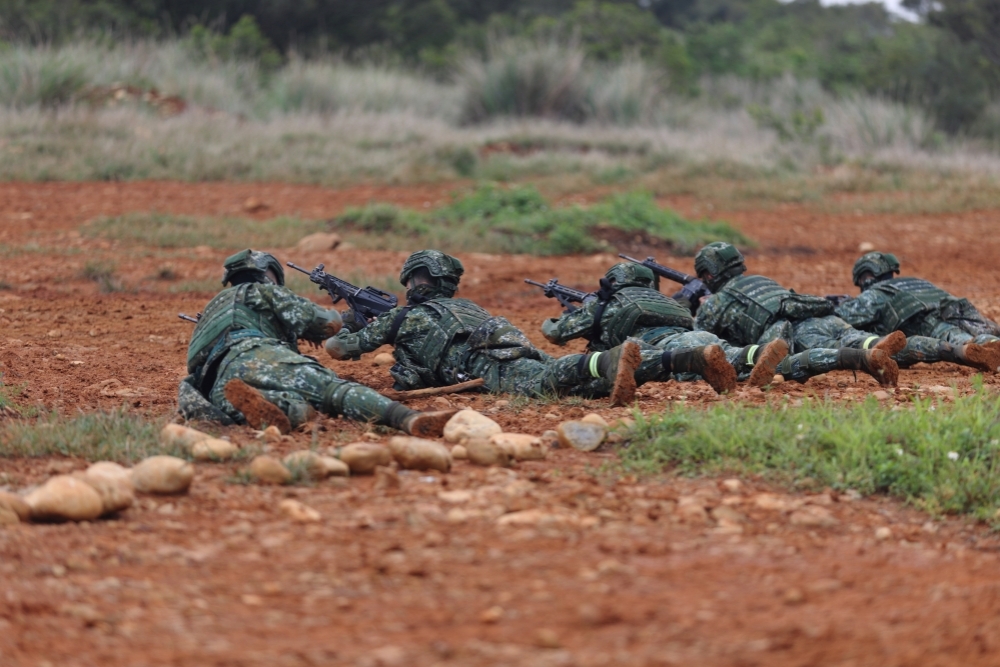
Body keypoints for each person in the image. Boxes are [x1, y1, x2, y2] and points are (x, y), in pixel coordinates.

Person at [177, 249, 456, 436]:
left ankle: (282, 409)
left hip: (213, 383)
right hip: (256, 353)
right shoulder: (260, 291)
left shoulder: (212, 310)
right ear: (267, 276)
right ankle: (409, 419)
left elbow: (193, 362)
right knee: (332, 392)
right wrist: (342, 321)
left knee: (286, 404)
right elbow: (324, 322)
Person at [324, 250, 645, 406]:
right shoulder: (469, 306)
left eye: (419, 278)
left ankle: (604, 361)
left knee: (539, 385)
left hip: (483, 361)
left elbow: (338, 349)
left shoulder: (404, 318)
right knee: (574, 386)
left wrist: (348, 324)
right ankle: (628, 370)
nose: (416, 285)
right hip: (512, 346)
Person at [539, 262, 784, 392]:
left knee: (654, 361)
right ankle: (759, 353)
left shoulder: (608, 303)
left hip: (664, 348)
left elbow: (555, 333)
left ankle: (710, 359)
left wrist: (564, 315)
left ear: (613, 280)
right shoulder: (668, 301)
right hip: (699, 336)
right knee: (732, 358)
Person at [692, 242, 902, 386]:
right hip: (822, 316)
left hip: (790, 329)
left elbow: (698, 339)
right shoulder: (762, 280)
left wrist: (692, 305)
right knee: (859, 339)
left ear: (709, 273)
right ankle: (881, 344)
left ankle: (862, 359)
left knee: (794, 363)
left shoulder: (718, 302)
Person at [834, 251, 1000, 372]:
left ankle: (991, 350)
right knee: (981, 336)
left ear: (867, 275)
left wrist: (838, 303)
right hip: (958, 309)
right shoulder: (916, 281)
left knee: (964, 341)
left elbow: (844, 317)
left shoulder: (877, 291)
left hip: (927, 320)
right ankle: (992, 342)